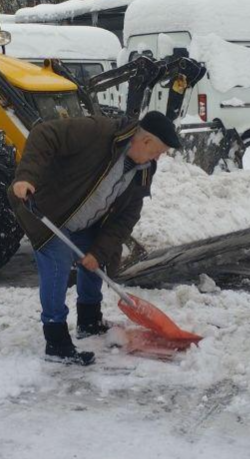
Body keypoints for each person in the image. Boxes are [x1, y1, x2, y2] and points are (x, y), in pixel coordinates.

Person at [9, 111, 180, 366]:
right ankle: (55, 341)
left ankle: (88, 321)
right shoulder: (100, 133)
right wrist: (26, 177)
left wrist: (99, 252)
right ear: (145, 141)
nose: (159, 158)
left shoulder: (144, 170)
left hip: (85, 222)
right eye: (158, 151)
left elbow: (126, 218)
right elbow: (45, 134)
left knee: (96, 259)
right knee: (57, 264)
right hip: (49, 210)